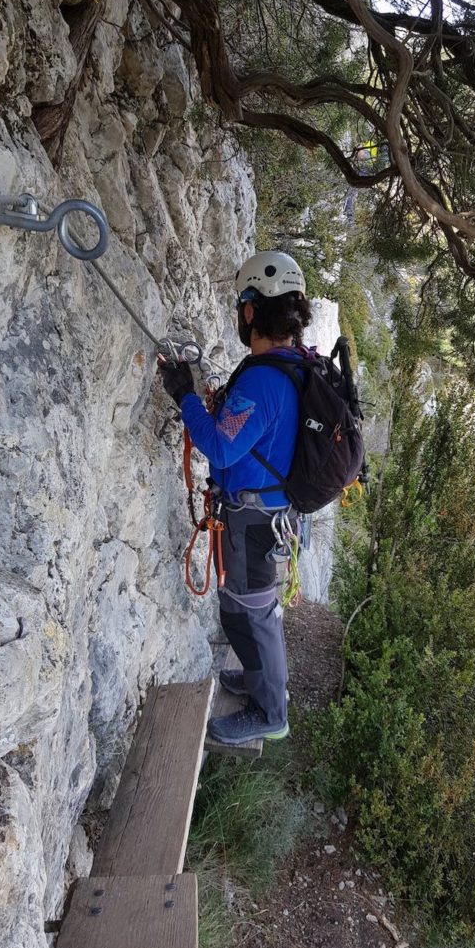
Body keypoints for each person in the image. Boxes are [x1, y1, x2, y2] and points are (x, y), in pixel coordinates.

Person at [157, 251, 312, 745]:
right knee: (240, 604)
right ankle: (257, 680)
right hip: (257, 512)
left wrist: (183, 395)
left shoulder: (266, 379)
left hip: (252, 518)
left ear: (250, 311)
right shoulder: (286, 366)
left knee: (254, 609)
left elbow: (221, 443)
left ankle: (271, 711)